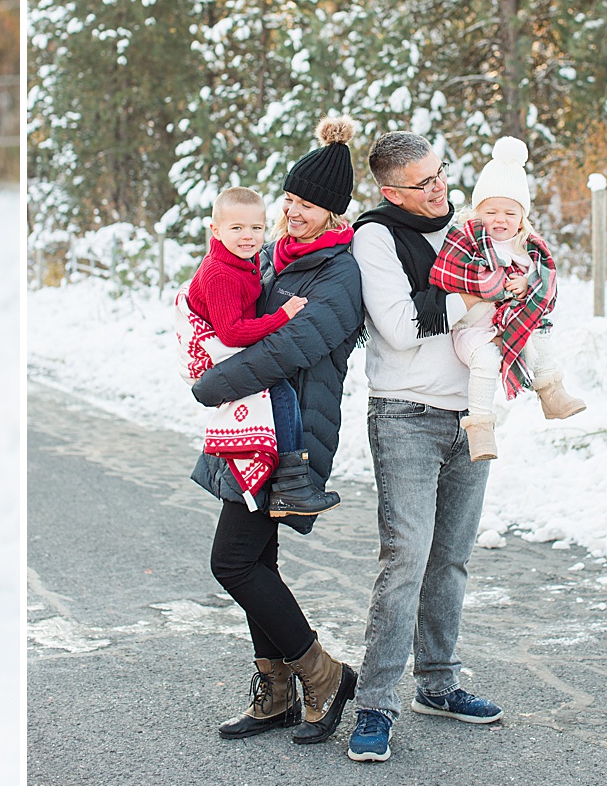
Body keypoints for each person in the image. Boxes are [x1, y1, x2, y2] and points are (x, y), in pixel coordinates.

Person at [189, 117, 364, 745]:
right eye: (289, 200)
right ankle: (276, 691)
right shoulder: (269, 255)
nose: (292, 213)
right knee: (256, 558)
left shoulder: (339, 275)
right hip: (252, 430)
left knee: (231, 562)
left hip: (291, 439)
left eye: (308, 206)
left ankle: (323, 674)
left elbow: (290, 346)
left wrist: (213, 383)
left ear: (334, 214)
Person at [346, 131, 503, 764]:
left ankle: (438, 684)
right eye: (423, 184)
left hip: (473, 414)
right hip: (406, 414)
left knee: (451, 558)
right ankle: (375, 705)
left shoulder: (467, 226)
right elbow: (402, 327)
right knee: (405, 558)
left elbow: (513, 281)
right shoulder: (376, 237)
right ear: (390, 191)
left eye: (440, 175)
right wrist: (476, 292)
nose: (439, 189)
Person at [177, 184, 338, 516]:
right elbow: (232, 332)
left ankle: (280, 478)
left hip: (228, 343)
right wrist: (281, 316)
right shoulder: (221, 272)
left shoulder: (244, 260)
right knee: (280, 393)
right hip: (213, 349)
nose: (248, 236)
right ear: (215, 230)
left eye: (256, 227)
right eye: (236, 228)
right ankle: (293, 482)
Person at [428, 136, 586, 461]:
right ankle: (482, 428)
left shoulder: (528, 247)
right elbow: (452, 275)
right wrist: (501, 283)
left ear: (522, 217)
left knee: (537, 334)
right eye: (492, 211)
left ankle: (551, 392)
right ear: (477, 210)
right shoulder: (465, 237)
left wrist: (528, 283)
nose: (500, 220)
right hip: (472, 329)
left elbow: (547, 285)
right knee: (485, 361)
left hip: (511, 323)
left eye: (510, 213)